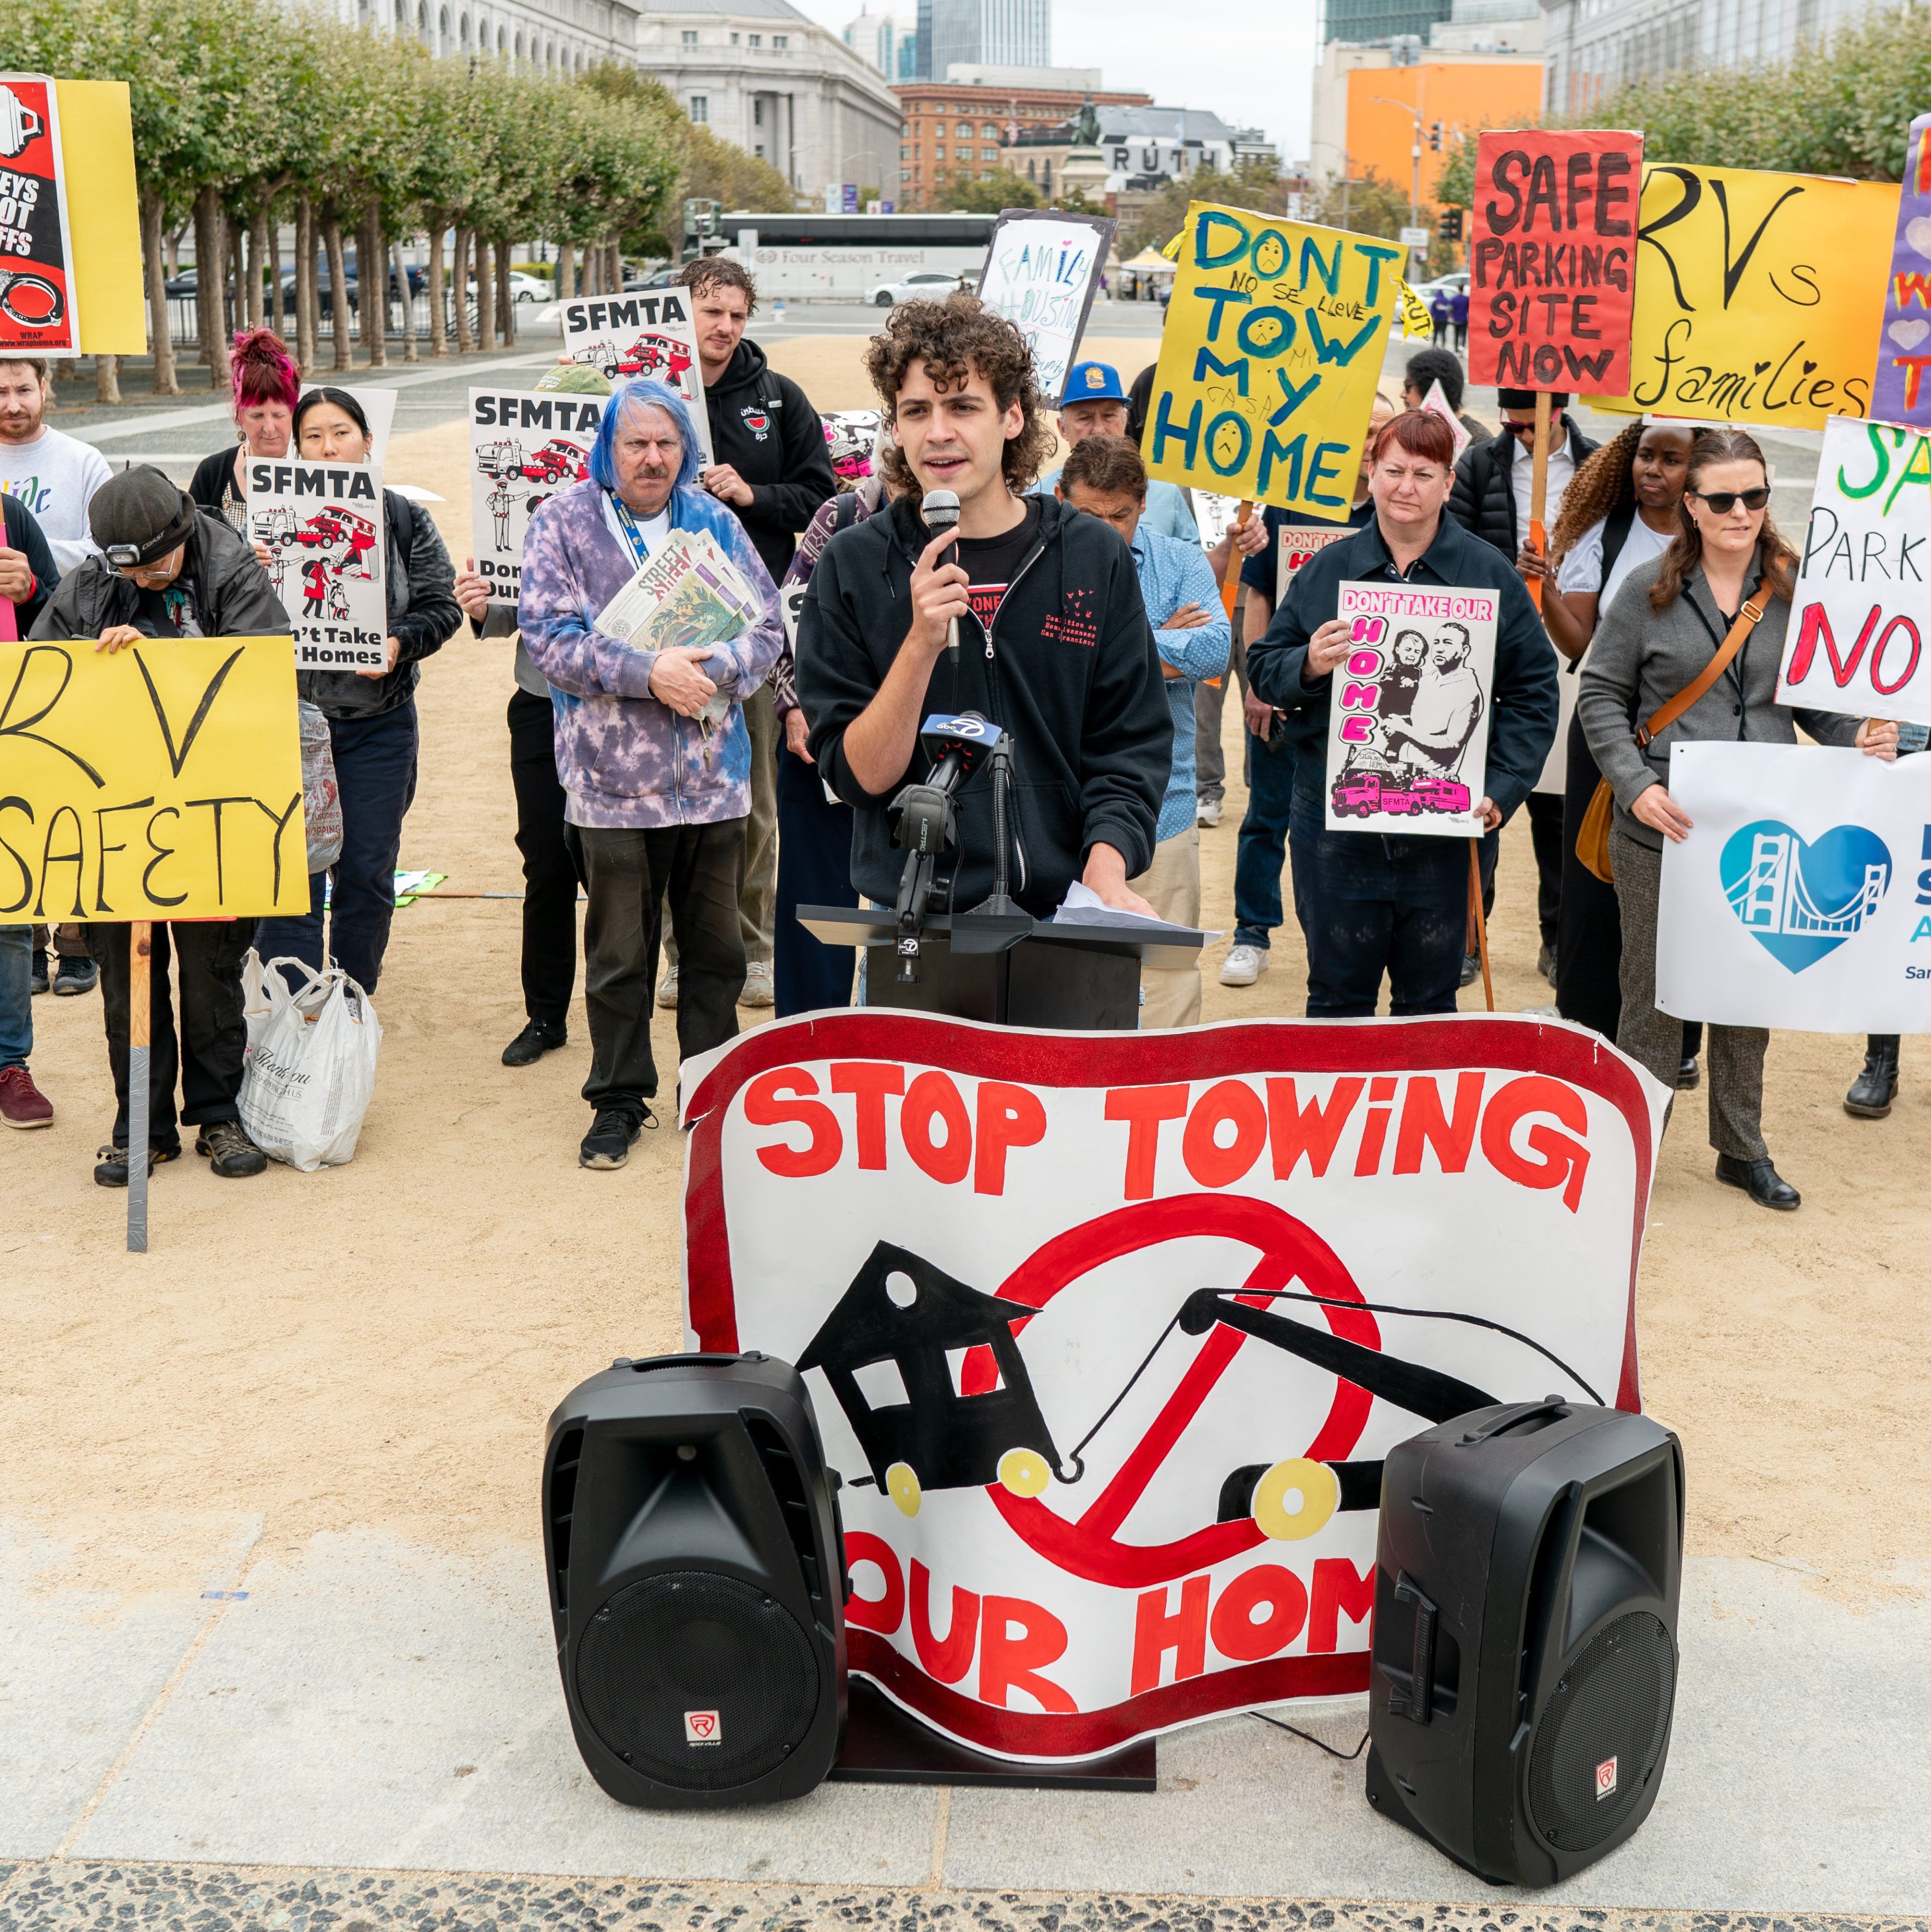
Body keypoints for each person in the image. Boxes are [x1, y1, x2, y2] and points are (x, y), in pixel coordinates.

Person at [1578, 426, 1898, 1212]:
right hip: (1664, 823)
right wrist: (1631, 785)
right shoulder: (1645, 591)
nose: (1739, 511)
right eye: (1721, 498)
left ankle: (1739, 1148)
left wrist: (1854, 734)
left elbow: (1810, 704)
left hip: (1760, 823)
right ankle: (1637, 1144)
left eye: (1753, 495)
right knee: (1650, 993)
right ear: (1690, 505)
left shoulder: (1792, 592)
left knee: (1745, 990)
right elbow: (1598, 697)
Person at [798, 294, 1170, 929]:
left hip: (1067, 917)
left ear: (1012, 417)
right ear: (896, 427)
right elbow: (859, 777)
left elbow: (1128, 747)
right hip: (913, 924)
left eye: (963, 406)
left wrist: (1104, 868)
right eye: (916, 411)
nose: (938, 431)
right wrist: (918, 643)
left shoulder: (1091, 554)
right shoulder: (852, 565)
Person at [519, 378, 783, 1170]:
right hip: (610, 785)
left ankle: (708, 1092)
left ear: (686, 450)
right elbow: (549, 641)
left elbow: (769, 626)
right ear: (608, 447)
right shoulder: (562, 524)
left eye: (666, 443)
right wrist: (649, 672)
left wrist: (725, 667)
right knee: (618, 958)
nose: (652, 456)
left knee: (716, 957)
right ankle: (617, 1100)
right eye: (635, 442)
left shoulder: (714, 522)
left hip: (712, 782)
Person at [1246, 410, 1559, 1017]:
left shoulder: (1488, 574)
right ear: (1370, 473)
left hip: (1444, 829)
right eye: (1393, 470)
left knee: (1430, 1004)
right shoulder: (1329, 568)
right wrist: (1308, 663)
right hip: (1336, 824)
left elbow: (1532, 691)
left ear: (1448, 481)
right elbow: (1265, 663)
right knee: (1335, 999)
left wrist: (1500, 787)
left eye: (1423, 473)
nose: (1405, 487)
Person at [29, 467, 289, 1185]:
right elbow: (43, 680)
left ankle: (218, 1115)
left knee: (211, 975)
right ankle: (139, 1124)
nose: (145, 577)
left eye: (157, 563)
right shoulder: (86, 584)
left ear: (181, 536)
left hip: (213, 812)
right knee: (127, 977)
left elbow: (261, 676)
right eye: (130, 569)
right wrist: (95, 664)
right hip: (117, 820)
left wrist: (158, 657)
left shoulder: (232, 568)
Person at [657, 256, 836, 1015]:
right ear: (682, 315)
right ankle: (677, 956)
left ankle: (756, 948)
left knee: (755, 802)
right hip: (665, 629)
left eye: (735, 314)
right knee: (670, 797)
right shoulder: (648, 403)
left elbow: (822, 496)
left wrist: (751, 493)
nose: (723, 328)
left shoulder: (778, 397)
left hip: (753, 630)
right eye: (709, 313)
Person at [253, 388, 461, 997]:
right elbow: (224, 615)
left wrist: (397, 645)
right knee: (291, 871)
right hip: (287, 724)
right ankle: (291, 998)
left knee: (367, 869)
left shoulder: (401, 516)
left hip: (379, 723)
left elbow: (440, 606)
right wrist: (252, 568)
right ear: (297, 448)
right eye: (313, 435)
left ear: (368, 440)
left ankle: (350, 994)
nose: (328, 446)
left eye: (341, 432)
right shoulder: (265, 521)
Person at [1518, 419, 1697, 1064]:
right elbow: (1578, 646)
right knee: (1592, 884)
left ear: (1697, 469)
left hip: (1689, 745)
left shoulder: (1725, 541)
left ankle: (1673, 1045)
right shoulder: (1607, 532)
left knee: (1682, 895)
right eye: (1644, 455)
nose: (1652, 470)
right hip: (1606, 732)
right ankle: (1588, 1023)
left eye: (1670, 459)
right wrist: (1544, 589)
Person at [452, 368, 612, 1070]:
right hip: (542, 704)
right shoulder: (522, 505)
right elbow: (507, 615)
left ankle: (618, 1018)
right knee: (546, 863)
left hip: (622, 711)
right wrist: (483, 603)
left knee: (620, 870)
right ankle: (545, 1014)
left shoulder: (646, 500)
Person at [1220, 392, 1395, 989]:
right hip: (1288, 689)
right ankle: (1252, 932)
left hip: (1365, 708)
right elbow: (1260, 597)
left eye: (1381, 431)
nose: (1371, 442)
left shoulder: (1396, 513)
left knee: (1350, 825)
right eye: (1361, 429)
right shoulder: (1291, 507)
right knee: (1265, 816)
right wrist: (1256, 686)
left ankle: (1342, 940)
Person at [1057, 433, 1229, 1026]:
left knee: (1165, 989)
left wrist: (1096, 651)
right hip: (1059, 815)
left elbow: (1213, 650)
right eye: (1089, 516)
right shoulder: (1035, 561)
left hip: (1165, 811)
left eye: (1121, 516)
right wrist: (1159, 645)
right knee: (1063, 987)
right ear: (1060, 498)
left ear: (1143, 503)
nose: (1106, 531)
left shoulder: (1178, 561)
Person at [769, 426, 890, 1018]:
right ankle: (807, 1044)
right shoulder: (840, 516)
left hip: (921, 758)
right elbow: (785, 623)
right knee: (816, 905)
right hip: (821, 745)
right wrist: (792, 707)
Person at [1033, 361, 1198, 543]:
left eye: (1109, 416)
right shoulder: (1037, 498)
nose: (1099, 430)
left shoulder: (1166, 493)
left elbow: (1193, 563)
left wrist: (1228, 547)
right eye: (1085, 418)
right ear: (1062, 428)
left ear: (1125, 419)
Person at [0, 356, 112, 571]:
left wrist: (25, 549)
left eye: (24, 390)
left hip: (67, 602)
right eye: (1, 392)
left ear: (43, 389)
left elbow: (106, 553)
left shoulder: (85, 461)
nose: (13, 407)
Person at [189, 328, 300, 530]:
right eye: (257, 416)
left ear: (296, 412)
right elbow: (192, 551)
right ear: (239, 416)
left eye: (279, 415)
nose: (269, 428)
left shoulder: (318, 467)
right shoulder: (213, 473)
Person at [1401, 348, 1491, 446]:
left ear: (1430, 388)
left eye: (1408, 386)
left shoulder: (1479, 444)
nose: (1402, 395)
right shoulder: (1407, 433)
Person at [1451, 286, 1470, 354]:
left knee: (1456, 335)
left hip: (1456, 319)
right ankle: (1461, 348)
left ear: (1458, 289)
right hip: (1464, 320)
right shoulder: (1467, 299)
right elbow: (1469, 309)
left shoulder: (1454, 299)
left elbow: (1451, 309)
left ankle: (1456, 349)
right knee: (1463, 335)